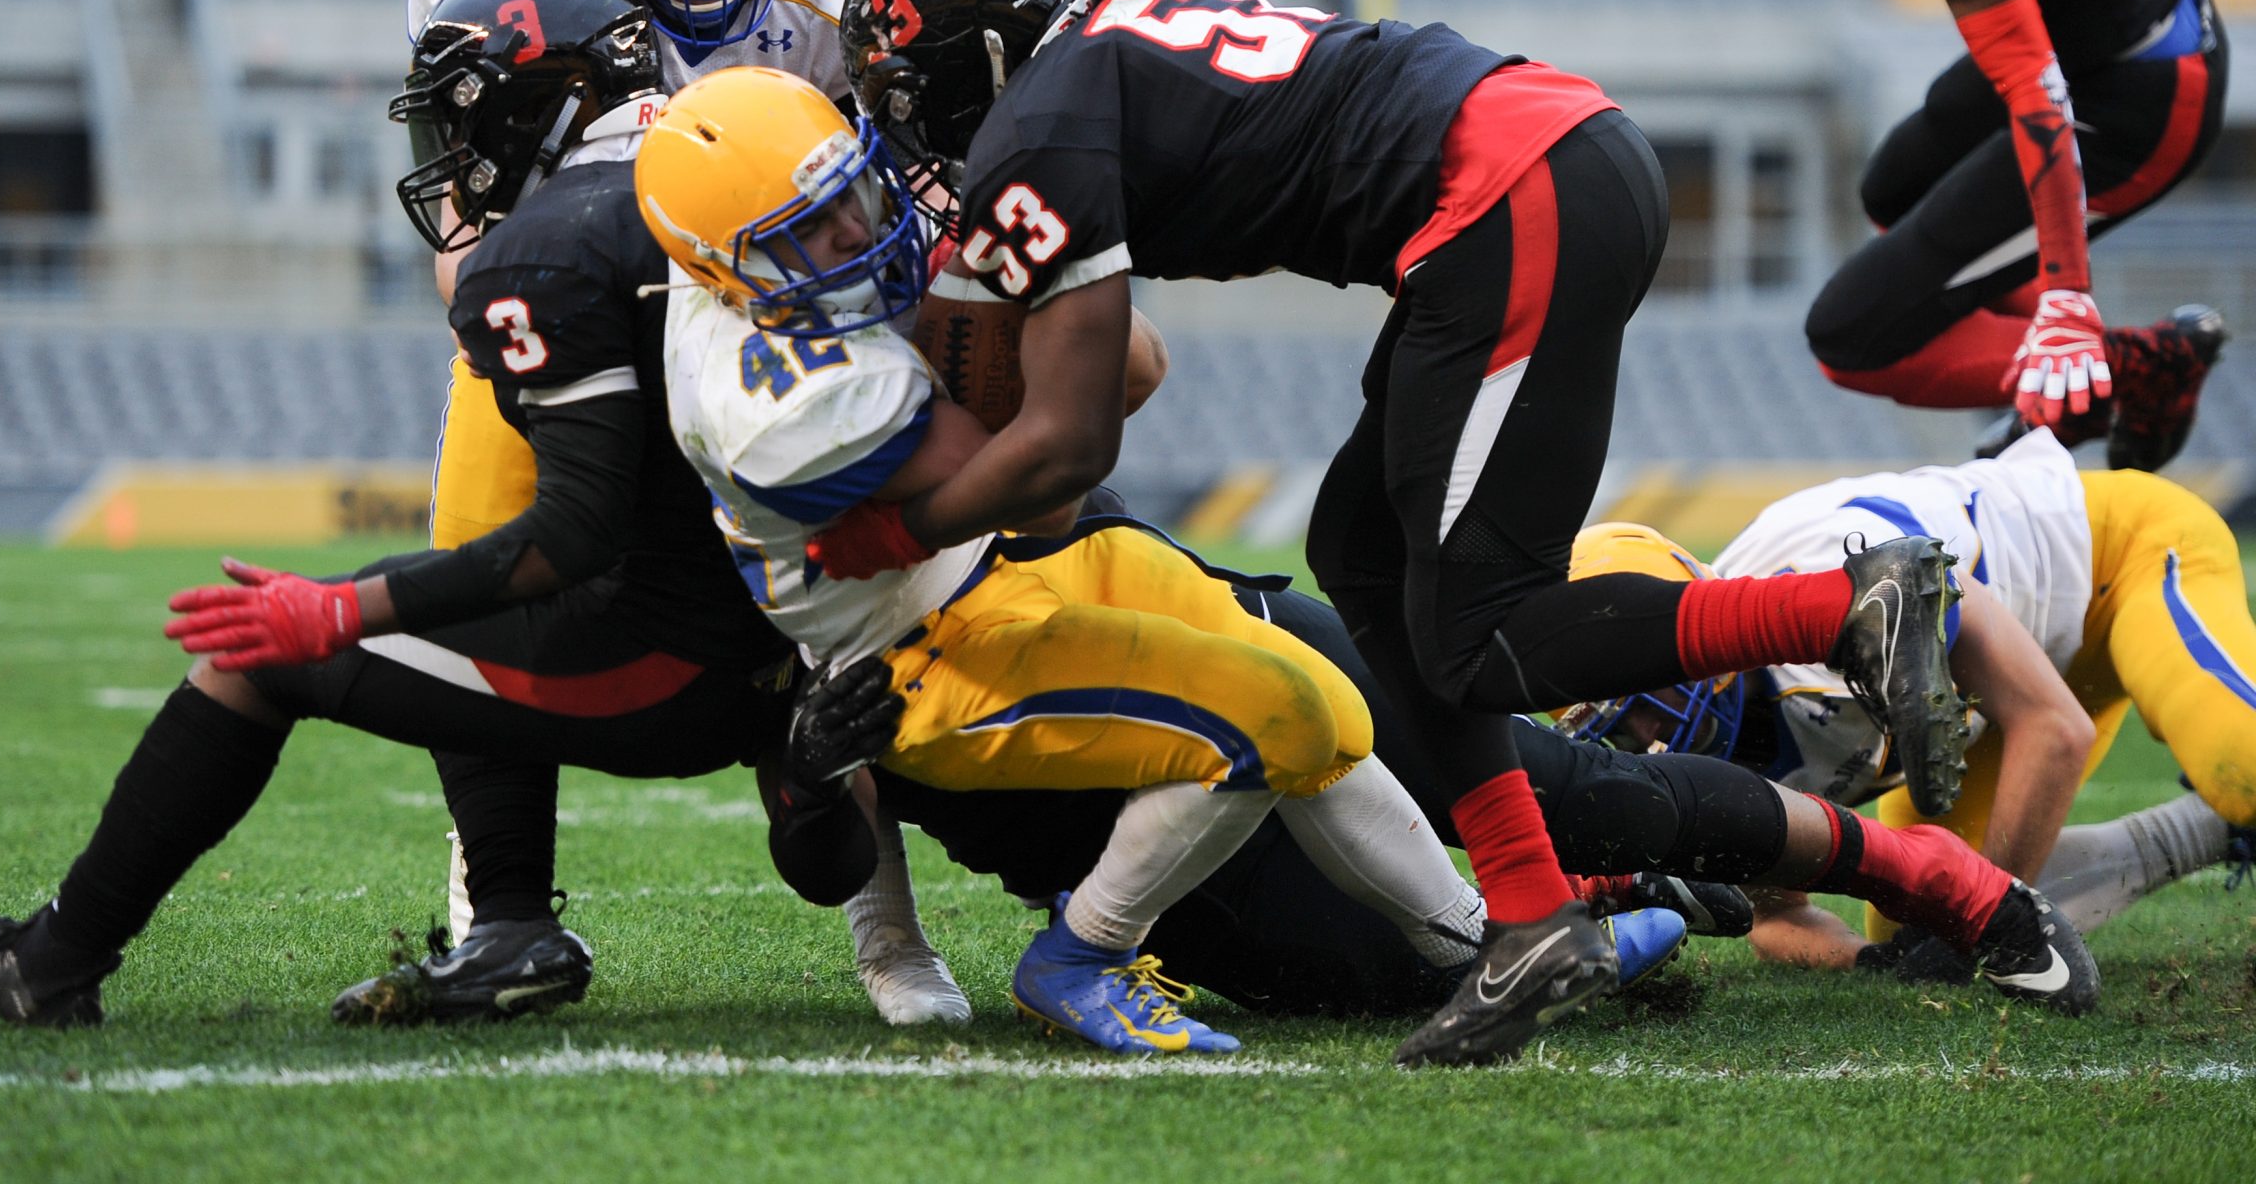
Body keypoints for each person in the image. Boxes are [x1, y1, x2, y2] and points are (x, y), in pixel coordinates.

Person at [814, 0, 1970, 1066]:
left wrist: (893, 531)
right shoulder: (1102, 46)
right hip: (1531, 168)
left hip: (1506, 197)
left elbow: (1069, 447)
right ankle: (1529, 920)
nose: (920, 138)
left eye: (911, 102)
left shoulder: (1038, 132)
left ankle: (1840, 610)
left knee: (1482, 637)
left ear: (972, 65)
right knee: (1360, 558)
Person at [0, 0, 793, 1028]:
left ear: (534, 108)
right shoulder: (749, 165)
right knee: (459, 603)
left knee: (267, 652)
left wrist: (337, 610)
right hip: (805, 633)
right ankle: (513, 924)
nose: (455, 160)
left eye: (463, 125)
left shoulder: (554, 245)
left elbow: (573, 532)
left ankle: (50, 961)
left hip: (675, 668)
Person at [639, 65, 1554, 1057]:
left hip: (999, 567)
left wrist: (987, 254)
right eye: (808, 230)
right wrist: (989, 274)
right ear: (729, 270)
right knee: (1271, 721)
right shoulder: (783, 401)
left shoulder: (750, 253)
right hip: (922, 651)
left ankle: (1482, 943)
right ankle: (1083, 955)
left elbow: (1140, 366)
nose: (855, 230)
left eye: (845, 193)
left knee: (1331, 706)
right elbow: (1050, 482)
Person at [395, 0, 948, 1022]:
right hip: (584, 297)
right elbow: (467, 244)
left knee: (835, 612)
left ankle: (887, 924)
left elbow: (923, 207)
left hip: (788, 306)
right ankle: (502, 909)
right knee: (475, 561)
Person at [771, 567, 2101, 1018]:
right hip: (1130, 839)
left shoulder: (938, 393)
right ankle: (1606, 917)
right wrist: (815, 785)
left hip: (1232, 653)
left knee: (1574, 784)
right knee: (1386, 981)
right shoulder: (772, 588)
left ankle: (1948, 881)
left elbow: (1105, 394)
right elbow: (832, 859)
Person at [1661, 0, 2230, 467]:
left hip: (2137, 89)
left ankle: (2137, 367)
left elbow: (2032, 81)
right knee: (1894, 188)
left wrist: (2067, 296)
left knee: (1851, 336)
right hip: (2108, 24)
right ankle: (2069, 387)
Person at [1567, 428, 2256, 979]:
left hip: (2111, 561)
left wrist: (1989, 922)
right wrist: (1876, 963)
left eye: (1640, 692)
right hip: (2002, 694)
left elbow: (2052, 727)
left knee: (2243, 769)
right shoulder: (1712, 743)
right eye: (1613, 721)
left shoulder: (1832, 583)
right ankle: (2200, 833)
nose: (1644, 733)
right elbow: (1777, 918)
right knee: (1920, 921)